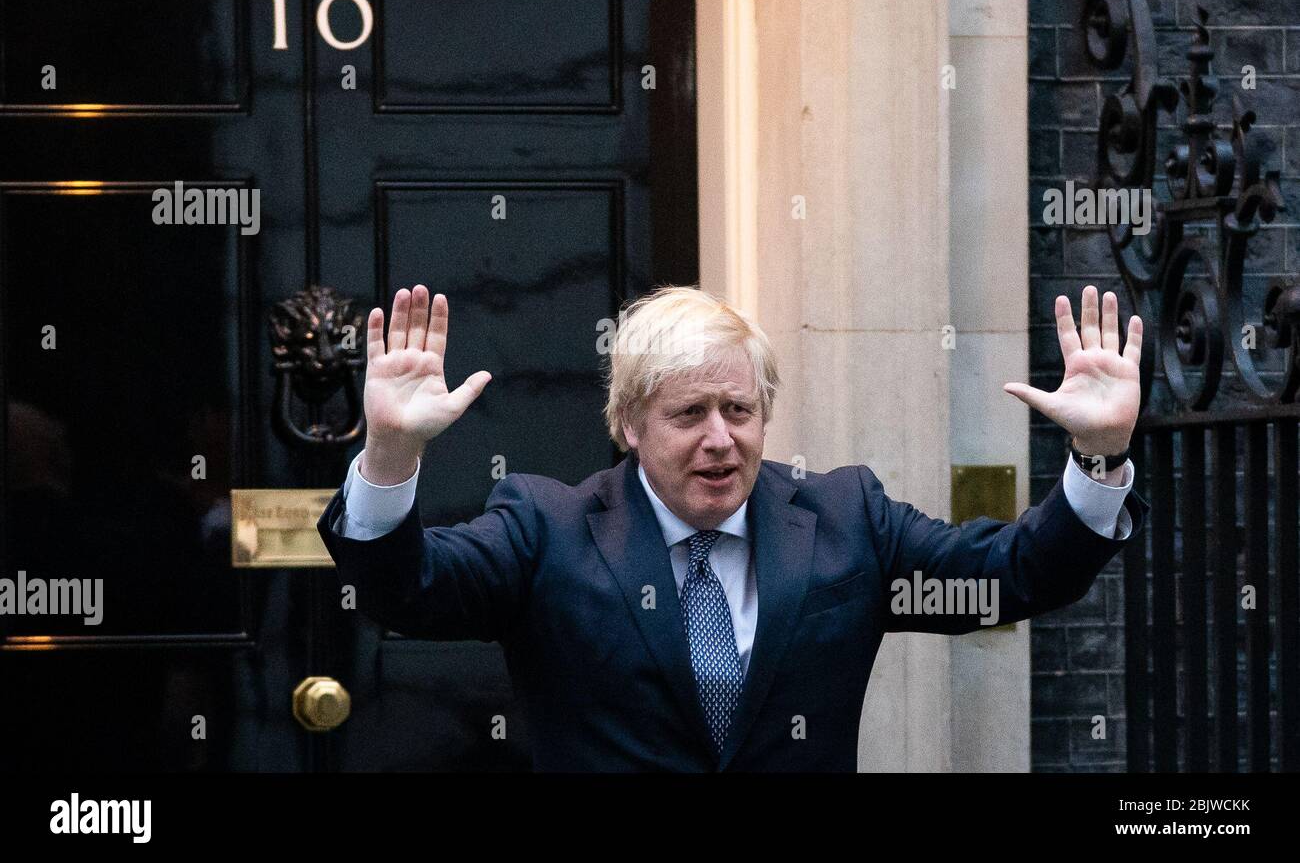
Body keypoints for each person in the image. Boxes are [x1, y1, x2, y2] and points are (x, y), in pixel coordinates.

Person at [317, 283, 1147, 771]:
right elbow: (407, 591)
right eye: (690, 414)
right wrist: (389, 454)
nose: (722, 438)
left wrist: (1099, 455)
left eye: (740, 410)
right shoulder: (548, 529)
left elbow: (1011, 575)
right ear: (631, 424)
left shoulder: (844, 518)